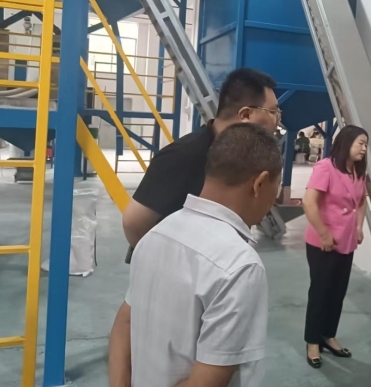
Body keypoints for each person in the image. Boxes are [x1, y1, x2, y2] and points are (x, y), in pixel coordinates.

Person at [109, 123, 283, 387]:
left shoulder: (155, 235)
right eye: (276, 187)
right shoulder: (239, 266)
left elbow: (124, 323)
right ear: (259, 183)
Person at [122, 67, 279, 248]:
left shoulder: (244, 155)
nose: (277, 121)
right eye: (272, 112)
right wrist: (171, 257)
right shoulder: (184, 155)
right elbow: (134, 224)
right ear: (245, 115)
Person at [302, 125, 369, 368]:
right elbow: (309, 202)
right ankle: (312, 341)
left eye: (366, 144)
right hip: (324, 242)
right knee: (320, 291)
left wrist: (359, 226)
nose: (364, 148)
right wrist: (323, 233)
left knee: (337, 291)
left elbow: (361, 201)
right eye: (360, 143)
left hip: (346, 240)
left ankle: (328, 335)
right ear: (346, 143)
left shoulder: (358, 171)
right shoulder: (326, 167)